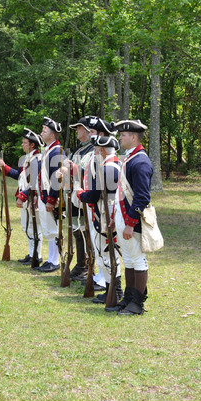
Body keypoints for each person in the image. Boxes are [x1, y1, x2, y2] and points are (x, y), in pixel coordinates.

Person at [109, 119, 153, 316]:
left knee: (138, 260)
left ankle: (137, 304)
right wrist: (114, 218)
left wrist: (129, 223)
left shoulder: (140, 161)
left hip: (132, 221)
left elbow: (142, 197)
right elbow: (120, 194)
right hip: (123, 218)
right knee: (128, 259)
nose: (119, 137)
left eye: (123, 135)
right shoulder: (129, 158)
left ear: (133, 137)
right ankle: (128, 298)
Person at [76, 135, 123, 306]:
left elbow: (95, 195)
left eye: (97, 149)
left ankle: (115, 291)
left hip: (104, 215)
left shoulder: (105, 168)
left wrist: (80, 194)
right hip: (109, 213)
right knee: (107, 253)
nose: (95, 152)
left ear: (101, 150)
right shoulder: (116, 164)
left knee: (104, 253)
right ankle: (113, 289)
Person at [0, 128, 44, 266]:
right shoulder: (27, 159)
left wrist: (23, 196)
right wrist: (4, 167)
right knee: (27, 227)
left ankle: (37, 255)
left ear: (32, 145)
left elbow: (35, 182)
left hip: (31, 198)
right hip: (26, 197)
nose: (22, 145)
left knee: (34, 228)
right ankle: (31, 253)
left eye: (25, 143)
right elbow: (19, 175)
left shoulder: (37, 160)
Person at [64, 116, 94, 282]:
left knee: (84, 230)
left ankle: (87, 266)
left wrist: (72, 168)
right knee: (77, 230)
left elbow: (89, 173)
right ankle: (81, 264)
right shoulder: (79, 150)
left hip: (84, 195)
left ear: (88, 131)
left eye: (79, 128)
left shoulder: (92, 150)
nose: (77, 131)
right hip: (74, 195)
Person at [35, 117, 64, 273]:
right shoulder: (49, 150)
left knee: (53, 230)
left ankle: (54, 260)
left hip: (50, 197)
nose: (41, 133)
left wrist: (51, 199)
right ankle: (50, 259)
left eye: (44, 131)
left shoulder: (56, 151)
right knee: (48, 229)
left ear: (52, 135)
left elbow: (56, 178)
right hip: (43, 196)